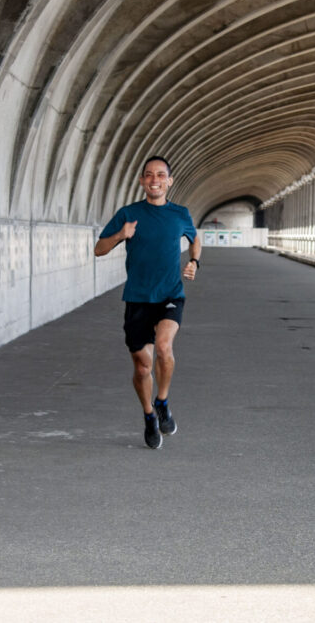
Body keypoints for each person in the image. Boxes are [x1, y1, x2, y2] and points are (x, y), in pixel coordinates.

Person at [94, 156, 201, 449]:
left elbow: (194, 238)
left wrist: (194, 261)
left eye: (160, 175)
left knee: (164, 348)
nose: (155, 180)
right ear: (142, 181)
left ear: (169, 181)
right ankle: (149, 416)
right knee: (143, 368)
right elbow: (99, 249)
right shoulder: (129, 214)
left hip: (170, 295)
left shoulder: (180, 213)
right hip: (138, 299)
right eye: (149, 175)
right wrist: (121, 234)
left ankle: (163, 401)